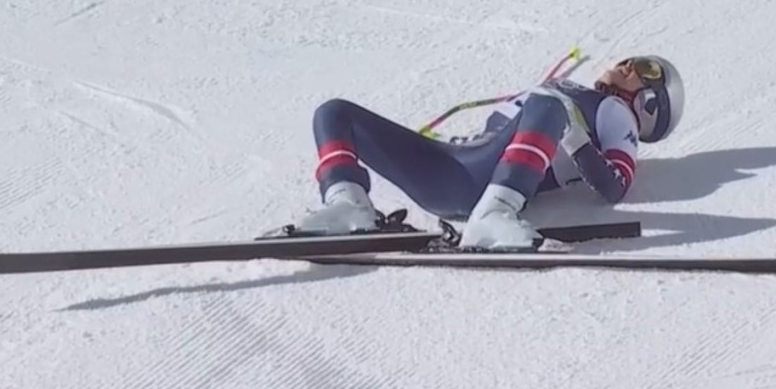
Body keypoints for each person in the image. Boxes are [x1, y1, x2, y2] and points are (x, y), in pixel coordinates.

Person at [293, 55, 684, 250]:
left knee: (549, 106)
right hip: (456, 165)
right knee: (334, 112)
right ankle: (347, 204)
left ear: (651, 104)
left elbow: (615, 186)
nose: (629, 65)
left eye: (647, 69)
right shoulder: (572, 91)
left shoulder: (615, 113)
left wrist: (574, 134)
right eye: (631, 60)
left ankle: (497, 212)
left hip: (488, 181)